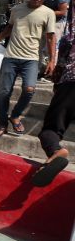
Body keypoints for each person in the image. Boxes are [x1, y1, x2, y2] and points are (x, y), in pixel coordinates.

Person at [0, 0, 57, 137]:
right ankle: (2, 122)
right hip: (11, 55)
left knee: (29, 89)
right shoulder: (17, 9)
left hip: (31, 58)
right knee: (4, 92)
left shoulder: (48, 13)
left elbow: (50, 38)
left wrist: (52, 60)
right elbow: (10, 27)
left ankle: (15, 115)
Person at [32, 14, 75, 186]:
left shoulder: (69, 37)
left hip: (71, 85)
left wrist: (57, 86)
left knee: (50, 130)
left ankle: (56, 150)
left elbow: (61, 64)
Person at [38, 0, 71, 73]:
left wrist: (44, 13)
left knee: (52, 48)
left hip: (57, 23)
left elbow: (63, 11)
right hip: (44, 23)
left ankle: (51, 72)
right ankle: (41, 70)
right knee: (41, 48)